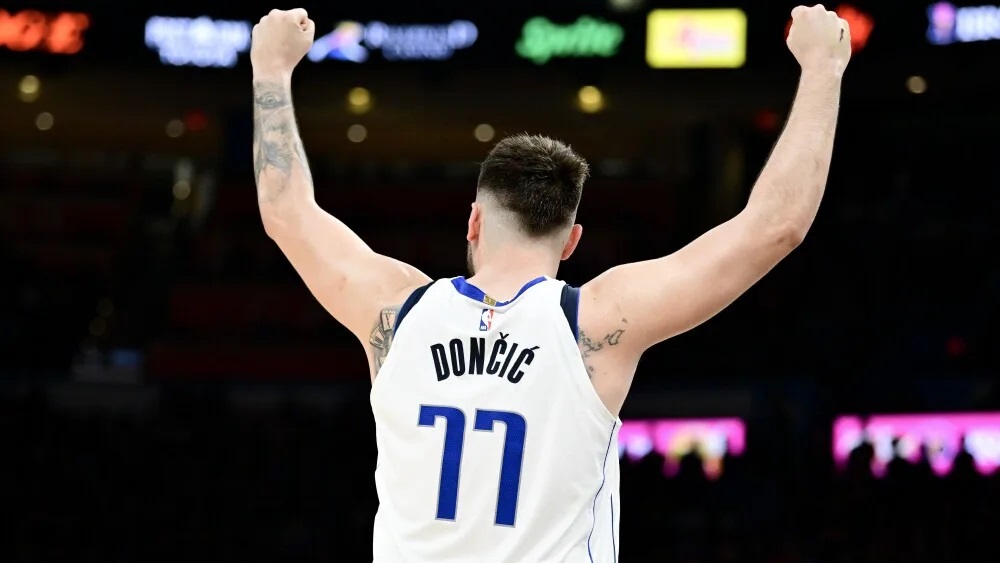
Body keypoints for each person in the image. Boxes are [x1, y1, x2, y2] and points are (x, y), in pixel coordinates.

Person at [249, 5, 852, 562]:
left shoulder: (396, 312)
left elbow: (285, 212)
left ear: (474, 221)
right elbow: (776, 226)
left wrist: (270, 68)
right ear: (571, 241)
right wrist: (823, 67)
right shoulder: (597, 322)